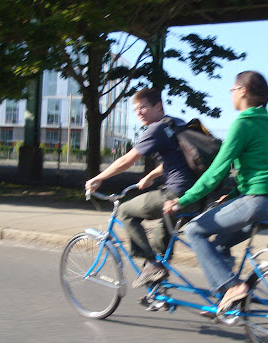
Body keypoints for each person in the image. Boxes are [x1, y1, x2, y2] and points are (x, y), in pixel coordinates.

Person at [164, 71, 268, 314]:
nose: (230, 93)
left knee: (194, 231)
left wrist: (182, 201)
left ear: (243, 91)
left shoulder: (243, 124)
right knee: (220, 244)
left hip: (258, 202)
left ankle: (232, 287)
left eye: (233, 89)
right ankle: (225, 302)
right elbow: (259, 171)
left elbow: (215, 173)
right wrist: (231, 198)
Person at [85, 88, 199, 288]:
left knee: (124, 211)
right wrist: (151, 175)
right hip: (196, 195)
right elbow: (178, 159)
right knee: (160, 239)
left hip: (175, 194)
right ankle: (157, 290)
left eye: (143, 107)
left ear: (158, 106)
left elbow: (127, 160)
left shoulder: (155, 130)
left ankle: (153, 266)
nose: (139, 113)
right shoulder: (177, 124)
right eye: (136, 109)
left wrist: (99, 178)